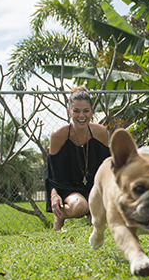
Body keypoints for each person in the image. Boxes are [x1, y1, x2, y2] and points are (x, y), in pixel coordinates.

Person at [45, 86, 111, 230]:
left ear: (92, 112)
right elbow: (52, 173)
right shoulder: (58, 135)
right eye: (76, 111)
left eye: (86, 111)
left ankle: (92, 213)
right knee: (80, 206)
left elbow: (107, 167)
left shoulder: (101, 132)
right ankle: (60, 215)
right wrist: (54, 195)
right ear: (69, 112)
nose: (81, 115)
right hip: (67, 188)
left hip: (94, 186)